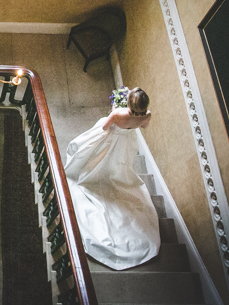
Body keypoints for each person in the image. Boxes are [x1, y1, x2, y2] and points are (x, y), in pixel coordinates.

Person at [64, 87, 159, 270]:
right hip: (125, 143)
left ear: (129, 103)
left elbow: (105, 126)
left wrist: (115, 108)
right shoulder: (147, 115)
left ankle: (93, 175)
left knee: (95, 160)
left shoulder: (118, 114)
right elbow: (143, 126)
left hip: (111, 139)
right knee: (119, 166)